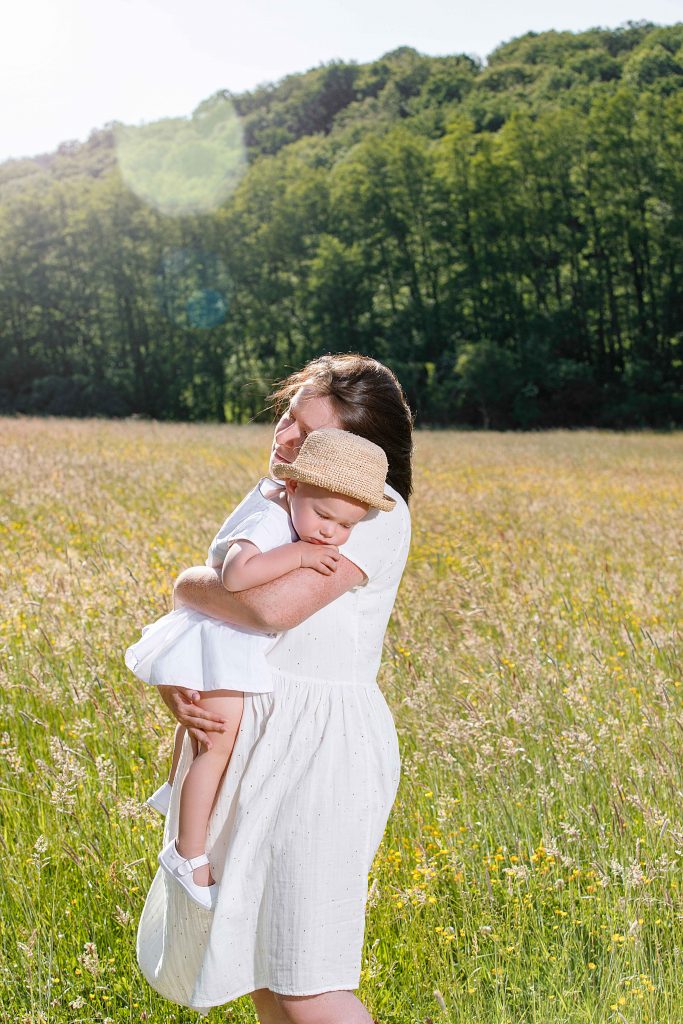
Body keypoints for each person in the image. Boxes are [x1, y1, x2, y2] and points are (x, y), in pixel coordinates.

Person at [136, 353, 413, 1024]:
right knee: (258, 966)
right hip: (251, 729)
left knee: (305, 976)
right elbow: (219, 598)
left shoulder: (375, 514)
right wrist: (185, 676)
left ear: (359, 450)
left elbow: (265, 609)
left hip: (318, 748)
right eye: (287, 418)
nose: (283, 437)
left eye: (306, 432)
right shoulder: (284, 492)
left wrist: (186, 584)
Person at [126, 428, 396, 911]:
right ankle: (188, 855)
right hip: (220, 639)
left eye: (346, 526)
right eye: (324, 516)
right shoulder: (270, 520)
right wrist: (300, 555)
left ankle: (176, 799)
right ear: (292, 488)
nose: (330, 532)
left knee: (211, 739)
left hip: (225, 636)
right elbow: (235, 575)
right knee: (215, 744)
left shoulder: (292, 509)